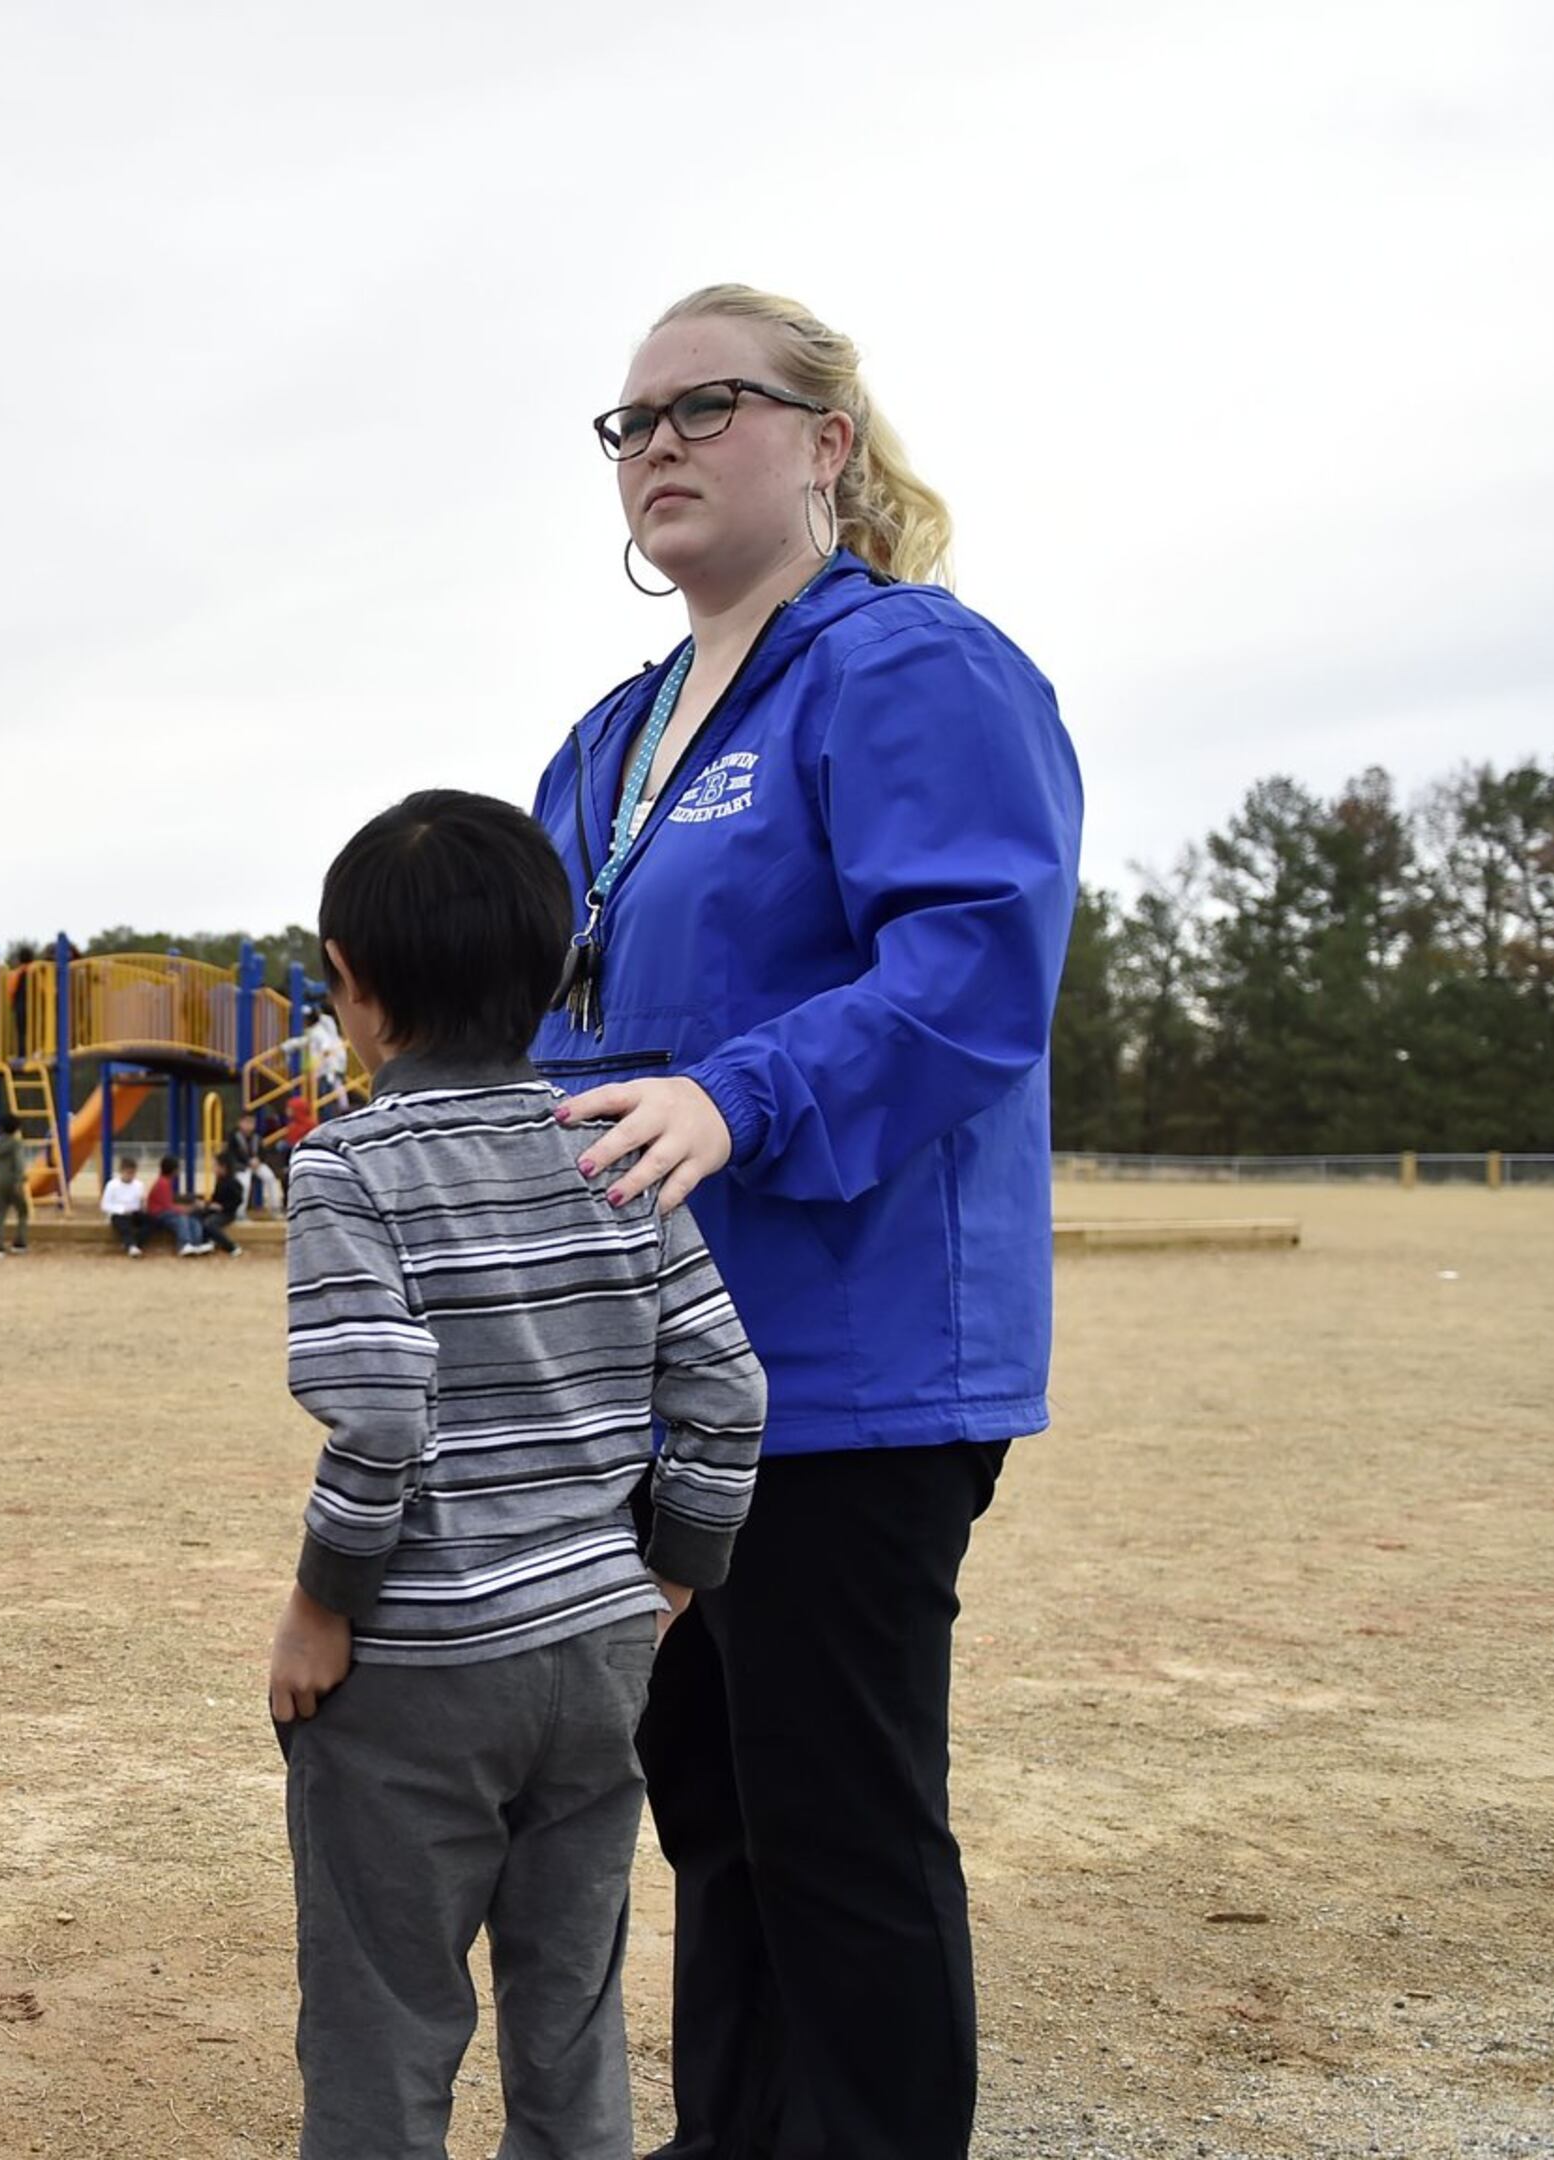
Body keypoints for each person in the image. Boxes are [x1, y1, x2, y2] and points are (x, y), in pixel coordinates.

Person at [534, 284, 1082, 2160]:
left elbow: (971, 973)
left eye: (708, 406)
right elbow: (558, 1029)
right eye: (630, 424)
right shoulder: (607, 739)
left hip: (849, 1372)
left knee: (837, 1819)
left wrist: (735, 1093)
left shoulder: (912, 669)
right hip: (654, 1375)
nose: (659, 446)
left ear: (827, 442)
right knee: (710, 1803)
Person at [271, 789, 766, 2159]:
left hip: (418, 1663)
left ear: (353, 993)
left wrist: (322, 1604)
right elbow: (729, 1395)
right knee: (570, 2014)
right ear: (552, 974)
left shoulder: (347, 1168)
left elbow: (377, 1415)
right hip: (602, 1652)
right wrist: (674, 1571)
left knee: (385, 2021)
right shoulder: (615, 1152)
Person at [0, 1107, 32, 1254]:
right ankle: (20, 1242)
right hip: (13, 1180)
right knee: (23, 1211)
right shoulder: (16, 1143)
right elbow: (19, 1162)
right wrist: (21, 1179)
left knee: (0, 1213)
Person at [100, 1154, 153, 1257]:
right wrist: (122, 1210)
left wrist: (143, 1206)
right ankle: (131, 1245)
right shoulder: (112, 1185)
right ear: (121, 1171)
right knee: (125, 1225)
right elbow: (105, 1205)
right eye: (128, 1173)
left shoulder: (139, 1185)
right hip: (118, 1214)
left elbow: (141, 1202)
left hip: (135, 1212)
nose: (130, 1175)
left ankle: (133, 1243)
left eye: (133, 1173)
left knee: (151, 1221)